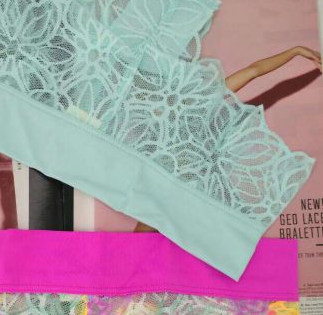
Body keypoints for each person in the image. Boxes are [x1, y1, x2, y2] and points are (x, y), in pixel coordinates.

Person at [134, 45, 322, 233]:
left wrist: (295, 51)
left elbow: (254, 71)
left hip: (191, 186)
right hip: (166, 181)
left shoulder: (205, 99)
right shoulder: (155, 111)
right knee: (143, 237)